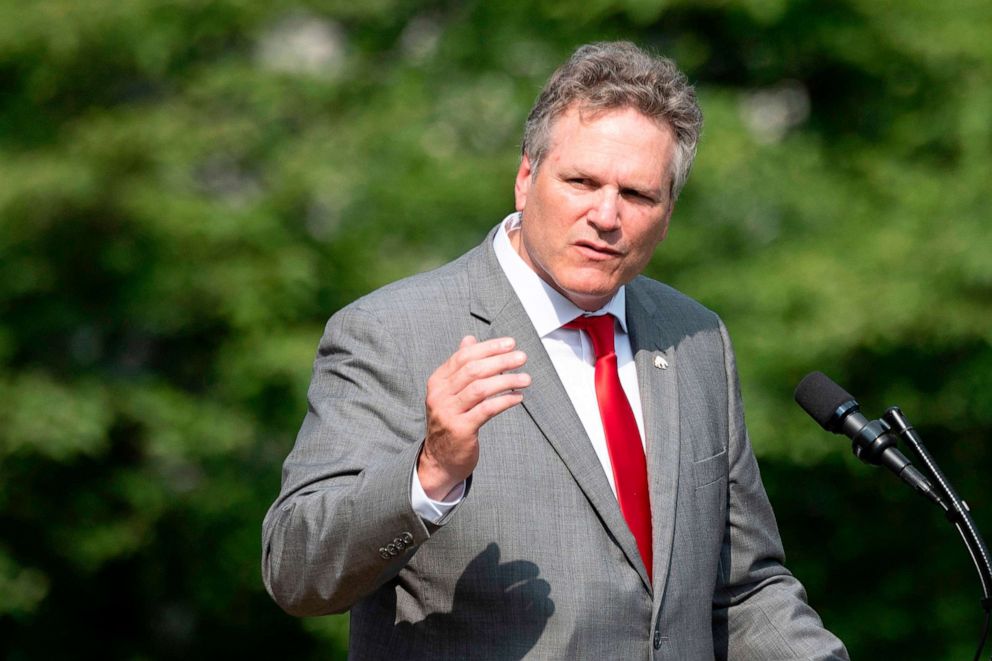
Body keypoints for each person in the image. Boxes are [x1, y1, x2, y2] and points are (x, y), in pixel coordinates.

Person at [262, 41, 848, 660]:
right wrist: (430, 472)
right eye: (582, 181)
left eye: (637, 195)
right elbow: (297, 574)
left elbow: (744, 591)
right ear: (525, 179)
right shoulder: (389, 333)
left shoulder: (695, 338)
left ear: (667, 214)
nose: (605, 215)